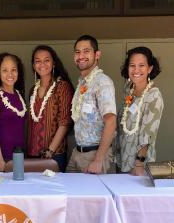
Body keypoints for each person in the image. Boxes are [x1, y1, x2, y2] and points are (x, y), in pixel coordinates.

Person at [66, 35, 116, 174]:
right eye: (77, 52)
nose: (81, 55)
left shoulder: (102, 82)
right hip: (77, 153)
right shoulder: (82, 83)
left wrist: (98, 160)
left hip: (95, 156)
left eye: (86, 51)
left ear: (97, 54)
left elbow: (111, 121)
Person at [116, 46, 164, 176]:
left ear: (150, 68)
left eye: (141, 65)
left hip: (138, 167)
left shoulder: (154, 96)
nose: (136, 70)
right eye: (132, 65)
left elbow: (148, 134)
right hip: (122, 162)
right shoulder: (129, 90)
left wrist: (139, 164)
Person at [27, 45, 74, 172]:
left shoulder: (62, 87)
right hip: (32, 153)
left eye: (46, 60)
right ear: (33, 65)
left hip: (54, 154)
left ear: (53, 63)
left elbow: (65, 122)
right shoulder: (33, 90)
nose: (42, 64)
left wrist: (50, 151)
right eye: (37, 61)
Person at [0, 53, 26, 172]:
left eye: (14, 70)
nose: (10, 74)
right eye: (5, 70)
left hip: (19, 155)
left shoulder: (18, 94)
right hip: (2, 157)